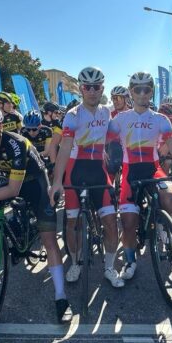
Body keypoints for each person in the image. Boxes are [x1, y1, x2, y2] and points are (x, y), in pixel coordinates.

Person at [0, 103, 72, 322]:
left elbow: (13, 190)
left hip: (34, 183)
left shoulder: (16, 143)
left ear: (1, 126)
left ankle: (61, 297)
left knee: (49, 239)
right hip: (7, 178)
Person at [107, 72, 172, 281]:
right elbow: (102, 140)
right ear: (131, 92)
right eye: (138, 90)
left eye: (147, 89)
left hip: (153, 169)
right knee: (128, 223)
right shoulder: (120, 119)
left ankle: (161, 225)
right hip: (130, 172)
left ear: (152, 92)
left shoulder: (160, 119)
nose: (142, 94)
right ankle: (130, 261)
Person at [48, 66, 123, 288]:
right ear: (81, 89)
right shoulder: (72, 115)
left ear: (102, 89)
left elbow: (114, 135)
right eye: (87, 87)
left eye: (96, 87)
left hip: (98, 171)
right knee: (72, 222)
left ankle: (110, 267)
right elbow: (64, 148)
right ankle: (75, 263)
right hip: (76, 171)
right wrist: (57, 182)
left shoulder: (106, 112)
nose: (92, 91)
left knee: (110, 222)